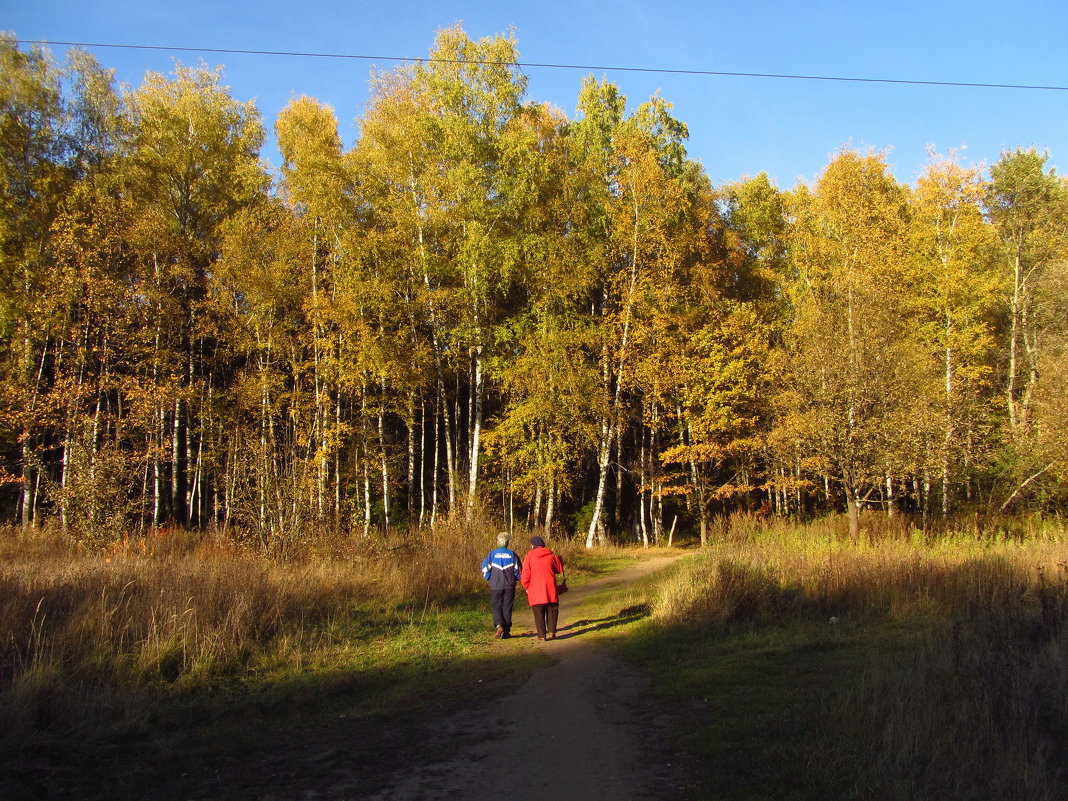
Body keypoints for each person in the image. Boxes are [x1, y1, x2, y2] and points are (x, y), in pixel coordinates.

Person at [520, 535, 565, 641]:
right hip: (550, 587)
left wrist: (527, 587)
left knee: (538, 612)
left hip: (535, 589)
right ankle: (552, 632)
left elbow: (525, 575)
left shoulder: (529, 557)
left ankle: (541, 635)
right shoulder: (551, 555)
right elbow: (559, 569)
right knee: (552, 610)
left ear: (532, 545)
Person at [480, 531, 522, 639]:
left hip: (495, 585)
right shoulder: (512, 555)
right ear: (507, 543)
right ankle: (506, 631)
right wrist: (516, 579)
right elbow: (518, 571)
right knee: (507, 607)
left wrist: (489, 577)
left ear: (497, 542)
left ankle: (499, 625)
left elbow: (485, 568)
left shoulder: (492, 555)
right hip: (509, 585)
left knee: (496, 606)